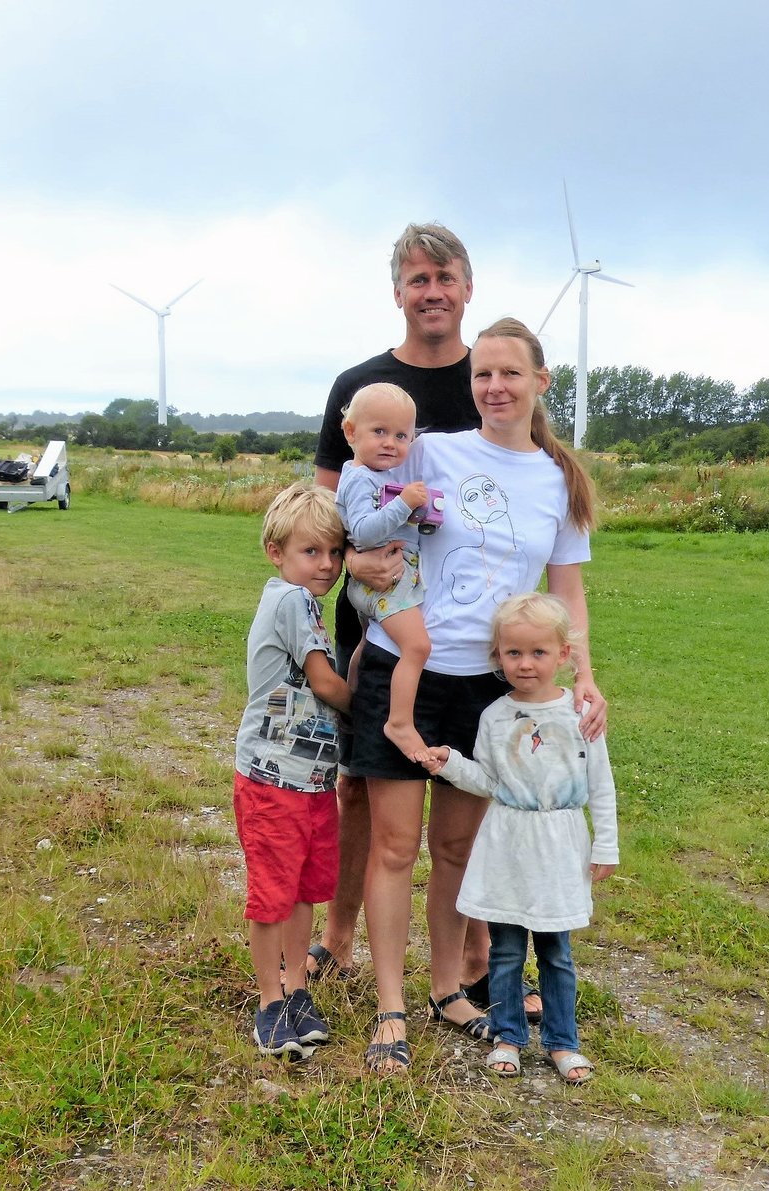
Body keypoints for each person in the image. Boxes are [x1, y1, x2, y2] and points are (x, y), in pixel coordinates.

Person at [355, 316, 606, 1074]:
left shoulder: (559, 482)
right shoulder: (432, 449)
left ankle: (447, 989)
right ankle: (390, 1006)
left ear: (540, 382)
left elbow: (566, 592)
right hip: (404, 670)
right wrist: (354, 562)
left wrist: (584, 674)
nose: (494, 387)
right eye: (482, 375)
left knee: (457, 848)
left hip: (490, 691)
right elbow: (356, 505)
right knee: (394, 845)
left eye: (509, 373)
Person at [306, 222, 481, 984]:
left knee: (470, 791)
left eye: (444, 278)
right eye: (418, 279)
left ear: (468, 287)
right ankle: (340, 934)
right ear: (397, 292)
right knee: (359, 783)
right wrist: (350, 558)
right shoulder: (359, 384)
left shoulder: (491, 380)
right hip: (377, 618)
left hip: (474, 624)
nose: (432, 292)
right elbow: (320, 506)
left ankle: (474, 954)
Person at [422, 593, 618, 1085]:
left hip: (559, 846)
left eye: (538, 652)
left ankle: (562, 1041)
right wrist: (452, 764)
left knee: (556, 952)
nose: (525, 664)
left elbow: (600, 783)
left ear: (563, 654)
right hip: (507, 845)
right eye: (513, 653)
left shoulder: (579, 713)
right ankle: (508, 1035)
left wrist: (606, 844)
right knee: (506, 950)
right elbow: (490, 782)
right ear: (498, 655)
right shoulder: (494, 716)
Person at [234, 484, 352, 1060]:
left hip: (310, 779)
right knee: (273, 894)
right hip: (272, 778)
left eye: (335, 552)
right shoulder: (292, 601)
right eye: (311, 551)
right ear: (275, 552)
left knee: (304, 889)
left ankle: (297, 988)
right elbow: (325, 683)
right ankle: (268, 1001)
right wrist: (384, 712)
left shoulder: (303, 603)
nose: (326, 564)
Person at [334, 382, 436, 763]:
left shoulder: (372, 475)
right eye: (379, 431)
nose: (390, 443)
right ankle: (399, 722)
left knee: (368, 643)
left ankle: (352, 702)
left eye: (401, 435)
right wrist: (404, 503)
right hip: (383, 584)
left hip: (378, 582)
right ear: (351, 432)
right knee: (417, 647)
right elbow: (363, 532)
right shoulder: (361, 478)